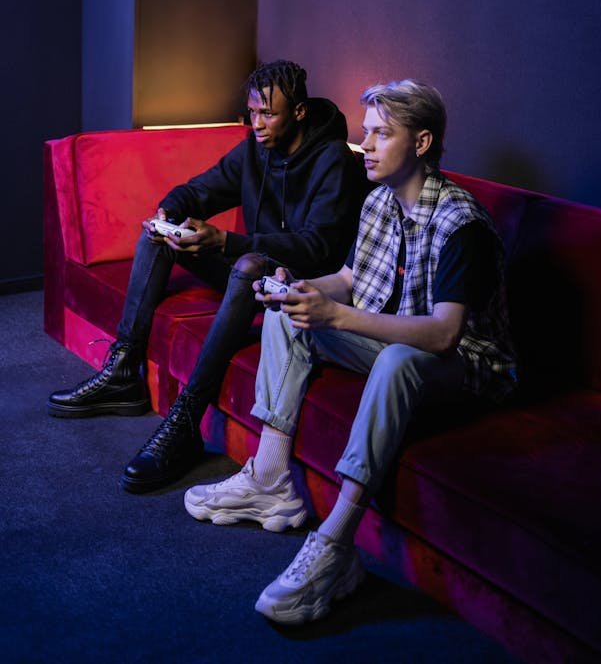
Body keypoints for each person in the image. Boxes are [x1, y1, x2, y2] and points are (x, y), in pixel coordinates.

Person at [182, 79, 518, 625]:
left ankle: (336, 544)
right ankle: (270, 480)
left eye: (383, 134)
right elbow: (349, 278)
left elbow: (442, 336)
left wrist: (336, 315)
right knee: (287, 312)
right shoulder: (379, 201)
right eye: (368, 133)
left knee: (397, 360)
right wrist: (307, 290)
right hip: (398, 335)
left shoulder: (463, 224)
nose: (368, 145)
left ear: (423, 143)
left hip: (471, 365)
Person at [47, 60, 366, 494]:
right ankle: (123, 368)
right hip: (247, 270)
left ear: (300, 112)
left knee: (248, 264)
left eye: (268, 113)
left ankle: (186, 419)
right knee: (160, 237)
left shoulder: (335, 161)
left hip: (301, 284)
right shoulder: (256, 148)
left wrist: (226, 243)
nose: (256, 123)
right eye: (252, 112)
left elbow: (318, 248)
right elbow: (204, 188)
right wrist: (170, 213)